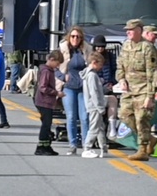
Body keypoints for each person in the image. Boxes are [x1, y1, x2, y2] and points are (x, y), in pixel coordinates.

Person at [117, 19, 157, 161]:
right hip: (129, 89)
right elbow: (120, 66)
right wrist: (121, 79)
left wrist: (150, 95)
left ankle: (142, 149)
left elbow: (153, 72)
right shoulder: (125, 46)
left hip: (143, 89)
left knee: (141, 118)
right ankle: (150, 138)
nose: (127, 32)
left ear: (138, 30)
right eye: (127, 30)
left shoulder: (147, 47)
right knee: (125, 116)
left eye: (130, 30)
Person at [57, 26, 93, 154]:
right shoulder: (63, 50)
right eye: (73, 36)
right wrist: (62, 76)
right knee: (71, 116)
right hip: (69, 88)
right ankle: (72, 144)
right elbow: (54, 66)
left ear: (81, 38)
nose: (75, 39)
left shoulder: (87, 50)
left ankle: (86, 145)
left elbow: (93, 65)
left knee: (84, 117)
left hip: (84, 87)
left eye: (78, 36)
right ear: (69, 37)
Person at [35, 51, 64, 156]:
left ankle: (47, 145)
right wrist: (56, 93)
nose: (57, 66)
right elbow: (43, 87)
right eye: (57, 63)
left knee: (47, 124)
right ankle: (41, 147)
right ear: (51, 60)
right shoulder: (46, 71)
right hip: (44, 101)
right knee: (46, 125)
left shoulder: (48, 70)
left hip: (45, 101)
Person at [81, 52, 109, 158]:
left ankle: (103, 148)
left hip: (93, 105)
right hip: (94, 106)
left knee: (100, 127)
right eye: (100, 64)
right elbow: (94, 92)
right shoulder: (92, 75)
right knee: (94, 127)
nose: (101, 67)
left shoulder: (89, 74)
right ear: (94, 63)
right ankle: (87, 148)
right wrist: (100, 107)